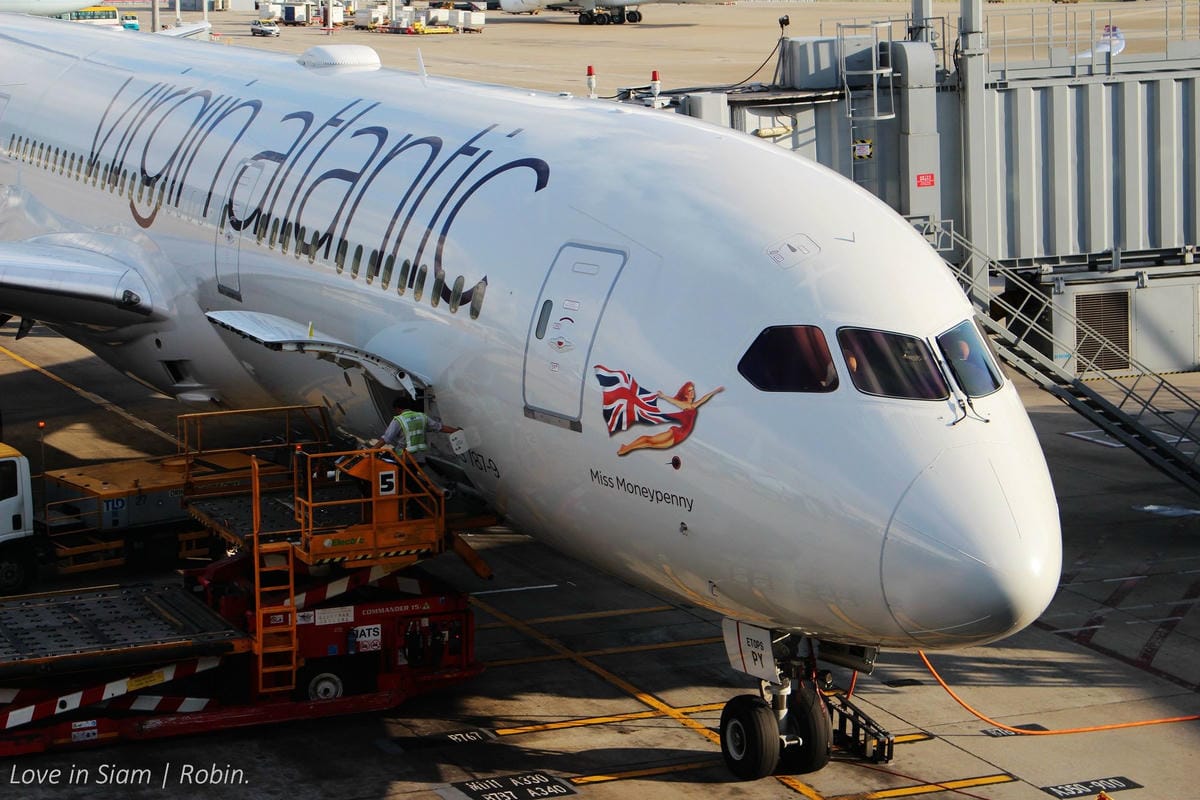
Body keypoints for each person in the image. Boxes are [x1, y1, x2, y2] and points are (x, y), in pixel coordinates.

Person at [616, 382, 723, 456]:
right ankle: (626, 448)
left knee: (650, 444)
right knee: (650, 440)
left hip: (680, 436)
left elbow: (704, 399)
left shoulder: (693, 405)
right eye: (689, 391)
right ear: (685, 394)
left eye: (692, 390)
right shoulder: (684, 405)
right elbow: (674, 401)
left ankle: (626, 448)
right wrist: (663, 396)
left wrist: (714, 392)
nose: (692, 392)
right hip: (677, 433)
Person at [380, 393, 459, 463]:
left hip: (404, 458)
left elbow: (386, 439)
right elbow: (440, 427)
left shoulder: (399, 420)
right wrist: (456, 430)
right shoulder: (422, 417)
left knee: (383, 459)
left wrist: (372, 451)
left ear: (398, 409)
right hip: (420, 458)